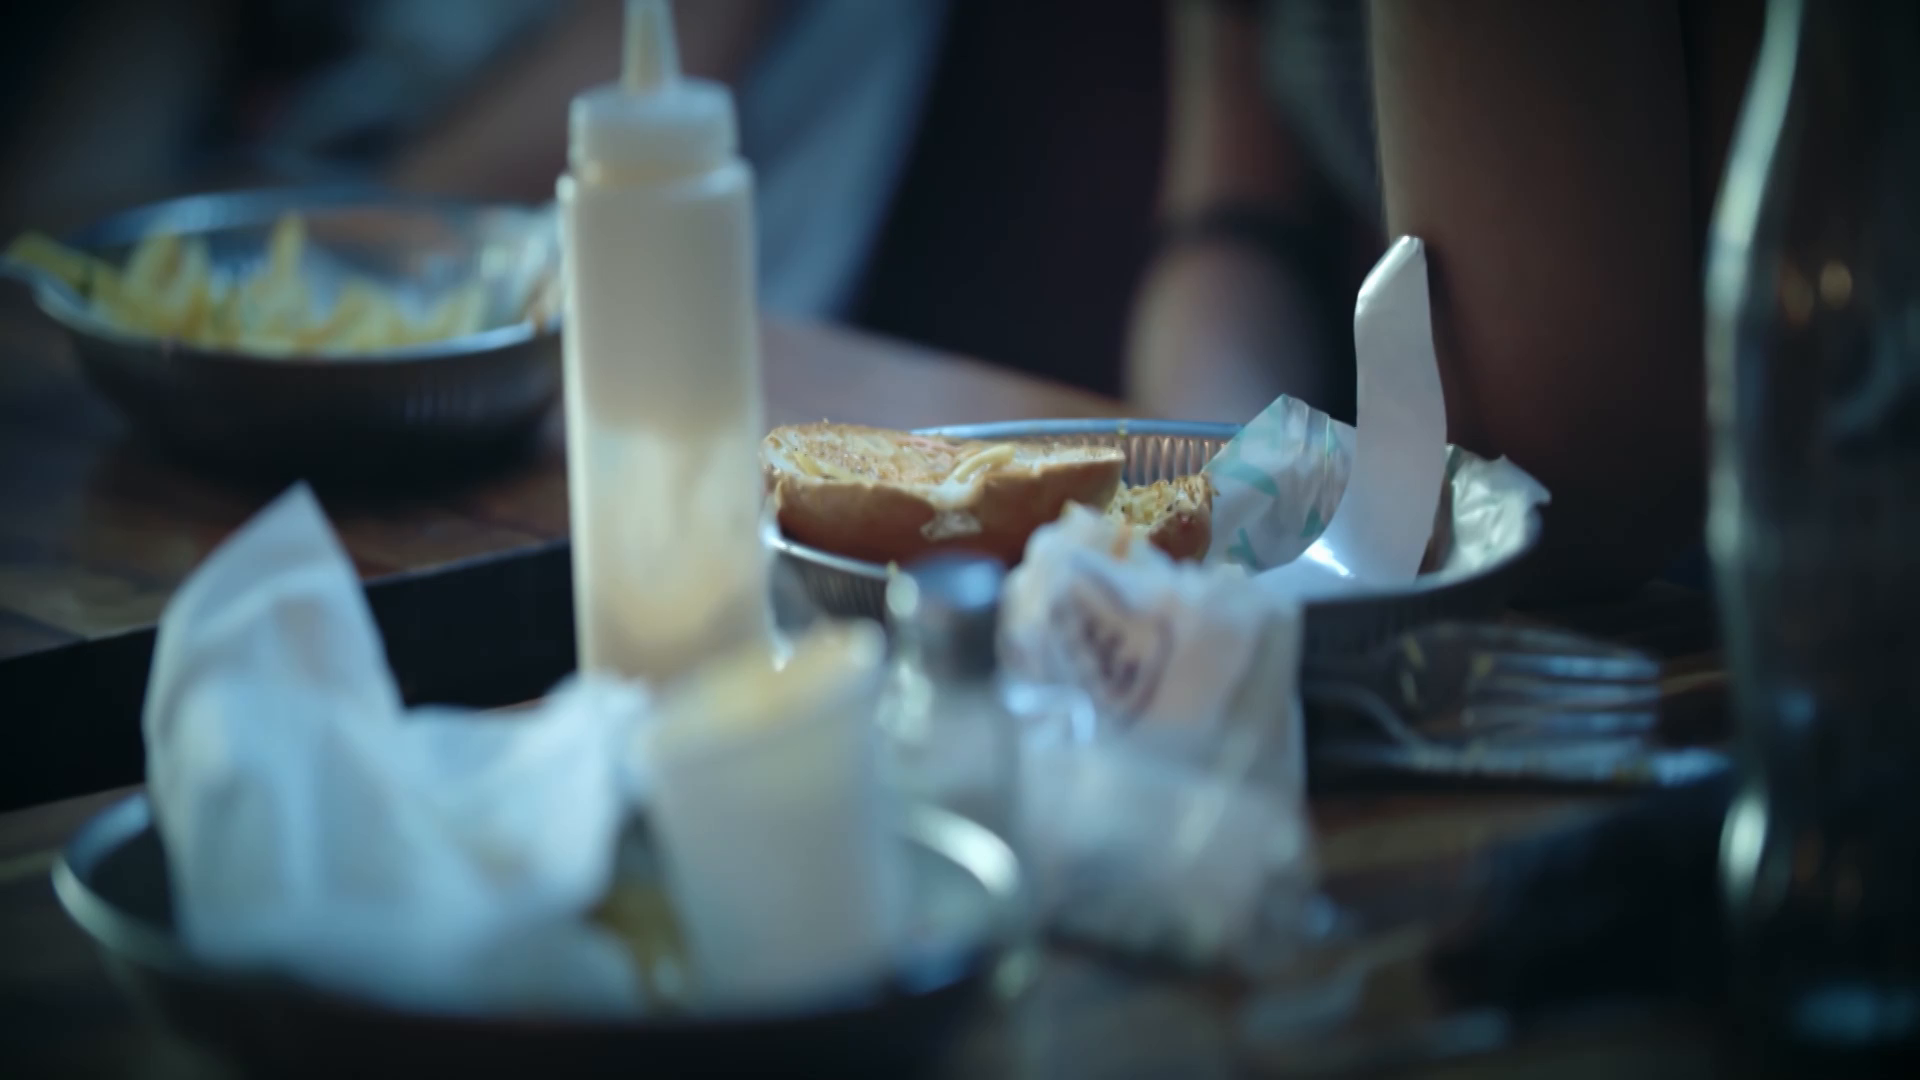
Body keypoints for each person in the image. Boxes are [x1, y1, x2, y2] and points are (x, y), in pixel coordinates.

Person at [1130, 0, 1764, 598]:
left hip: (1729, 578)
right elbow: (1237, 214)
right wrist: (1243, 489)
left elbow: (1571, 487)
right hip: (1426, 535)